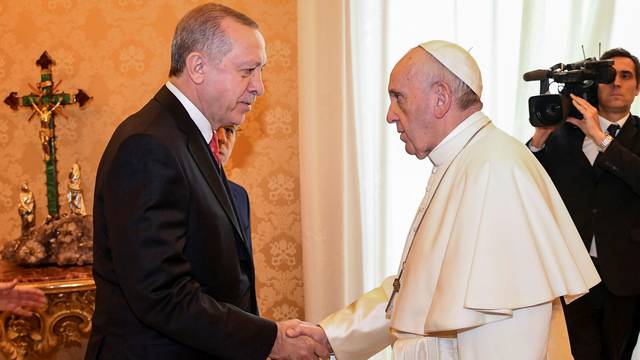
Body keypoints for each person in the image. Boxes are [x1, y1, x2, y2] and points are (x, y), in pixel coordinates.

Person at [288, 40, 600, 359]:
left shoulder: (494, 171)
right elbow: (415, 288)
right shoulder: (466, 161)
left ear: (440, 98)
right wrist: (332, 336)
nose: (390, 115)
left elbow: (506, 335)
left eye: (398, 97)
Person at [86, 3, 328, 359]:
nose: (259, 87)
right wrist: (269, 339)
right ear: (198, 67)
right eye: (248, 71)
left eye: (260, 72)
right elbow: (161, 293)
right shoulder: (148, 144)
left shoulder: (186, 137)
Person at [528, 47, 640, 360]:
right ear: (594, 84)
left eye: (626, 76)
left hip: (627, 276)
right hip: (571, 273)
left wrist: (602, 139)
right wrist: (538, 139)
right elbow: (529, 184)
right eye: (608, 76)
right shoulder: (562, 134)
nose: (616, 82)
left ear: (638, 87)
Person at [216, 125, 252, 253]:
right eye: (213, 128)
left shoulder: (240, 195)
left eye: (229, 130)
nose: (222, 138)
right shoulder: (181, 186)